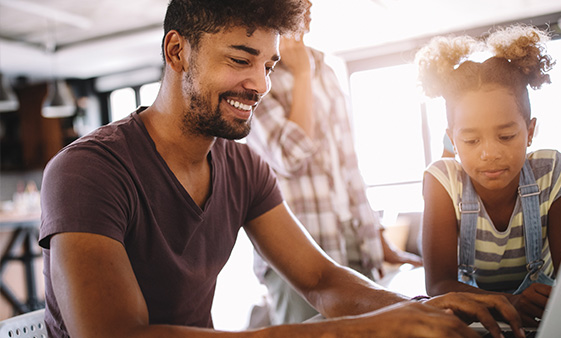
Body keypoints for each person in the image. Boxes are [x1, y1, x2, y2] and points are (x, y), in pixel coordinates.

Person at [38, 1, 527, 337]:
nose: (259, 84)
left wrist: (430, 309)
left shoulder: (242, 166)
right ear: (176, 52)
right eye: (240, 59)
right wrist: (361, 331)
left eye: (269, 66)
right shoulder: (86, 172)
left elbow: (321, 279)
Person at [415, 25, 561, 335]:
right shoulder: (443, 180)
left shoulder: (551, 172)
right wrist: (513, 302)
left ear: (530, 131)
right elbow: (438, 284)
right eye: (470, 140)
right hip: (479, 325)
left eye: (506, 135)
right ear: (452, 139)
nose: (490, 153)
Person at [245, 0, 422, 325]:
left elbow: (348, 166)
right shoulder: (256, 76)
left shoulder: (322, 67)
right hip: (297, 252)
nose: (309, 4)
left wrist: (378, 239)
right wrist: (299, 74)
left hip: (354, 241)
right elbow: (291, 155)